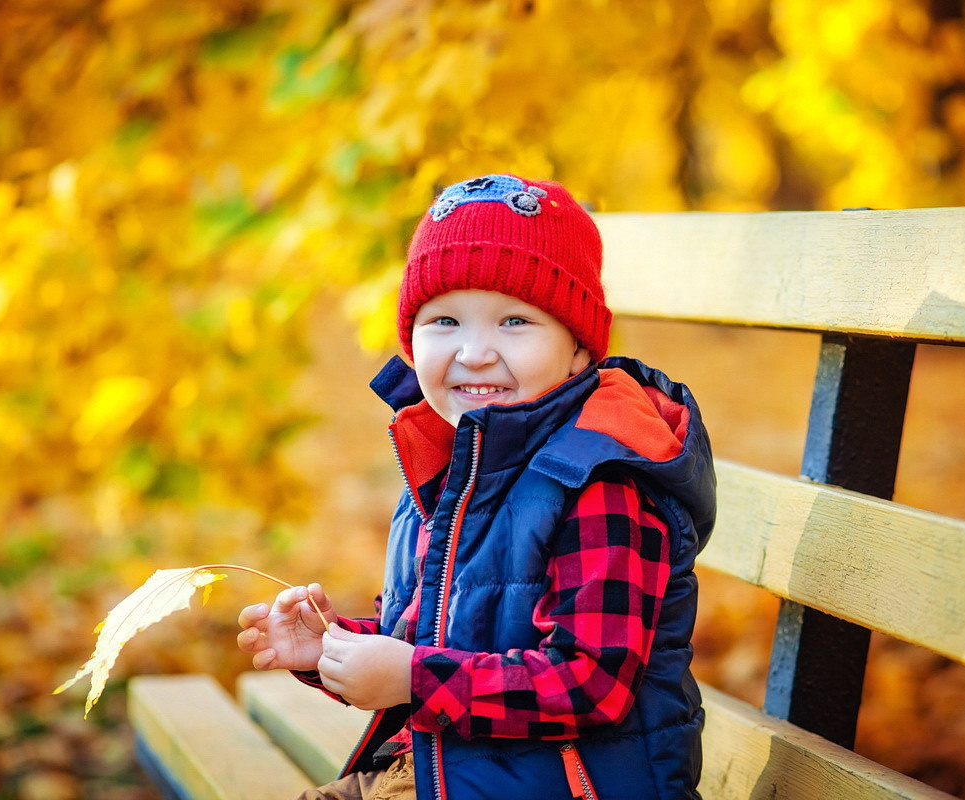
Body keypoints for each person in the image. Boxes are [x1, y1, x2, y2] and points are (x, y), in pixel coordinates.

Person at [237, 173, 717, 800]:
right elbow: (423, 642)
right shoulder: (449, 469)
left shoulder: (599, 480)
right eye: (445, 321)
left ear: (578, 350)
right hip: (447, 770)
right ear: (413, 341)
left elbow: (591, 682)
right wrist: (329, 648)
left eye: (514, 321)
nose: (474, 352)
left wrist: (414, 679)